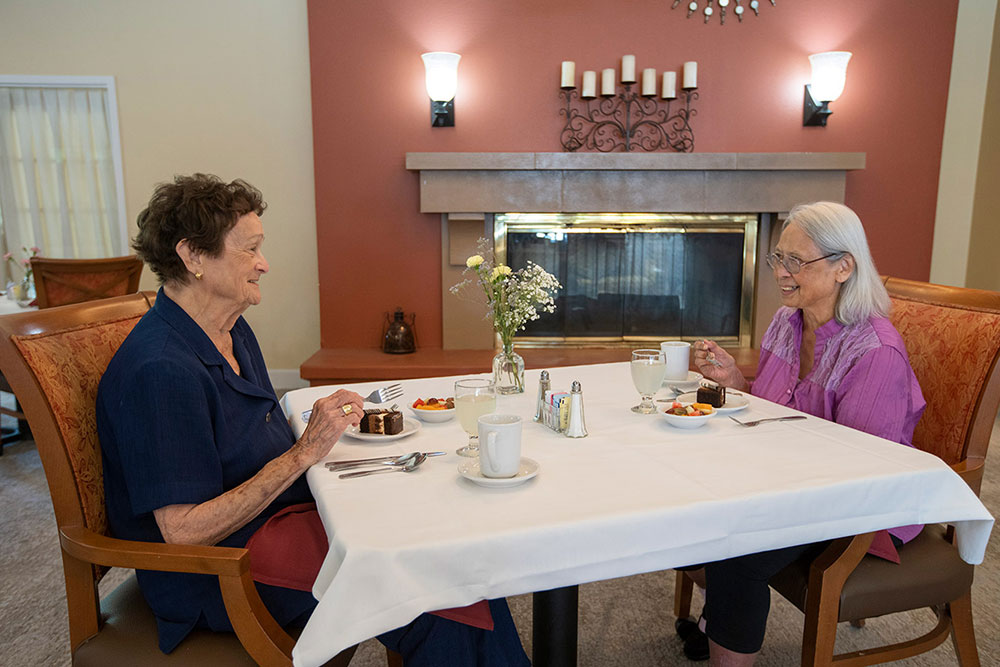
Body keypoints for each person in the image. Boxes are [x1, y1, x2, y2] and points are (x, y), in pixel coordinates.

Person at [96, 174, 529, 665]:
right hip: (221, 573)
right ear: (193, 255)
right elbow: (183, 532)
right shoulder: (161, 371)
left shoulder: (230, 331)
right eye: (250, 250)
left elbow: (255, 441)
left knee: (439, 544)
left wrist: (317, 438)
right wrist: (304, 453)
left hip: (273, 524)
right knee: (431, 579)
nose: (264, 264)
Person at [675, 201, 926, 665]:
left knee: (736, 554)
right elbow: (775, 407)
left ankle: (724, 620)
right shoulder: (787, 322)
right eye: (778, 258)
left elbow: (862, 469)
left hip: (853, 504)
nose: (782, 272)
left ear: (843, 268)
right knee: (678, 500)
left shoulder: (874, 352)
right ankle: (719, 619)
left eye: (797, 261)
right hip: (782, 479)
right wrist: (737, 383)